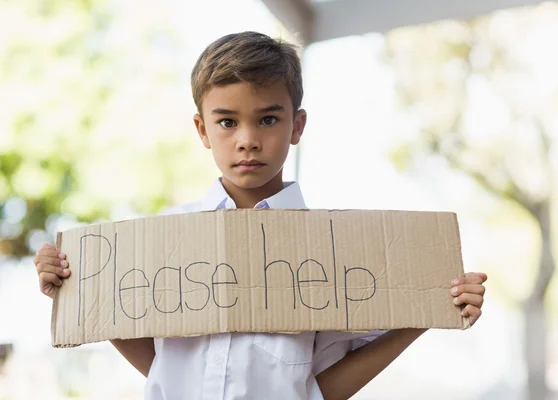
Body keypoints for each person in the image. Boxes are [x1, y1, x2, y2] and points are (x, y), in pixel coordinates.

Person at [34, 31, 487, 400]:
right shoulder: (162, 239)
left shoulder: (336, 252)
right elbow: (161, 366)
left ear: (297, 126)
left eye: (268, 120)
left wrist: (431, 307)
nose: (247, 139)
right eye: (227, 122)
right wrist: (76, 287)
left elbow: (322, 389)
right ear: (202, 130)